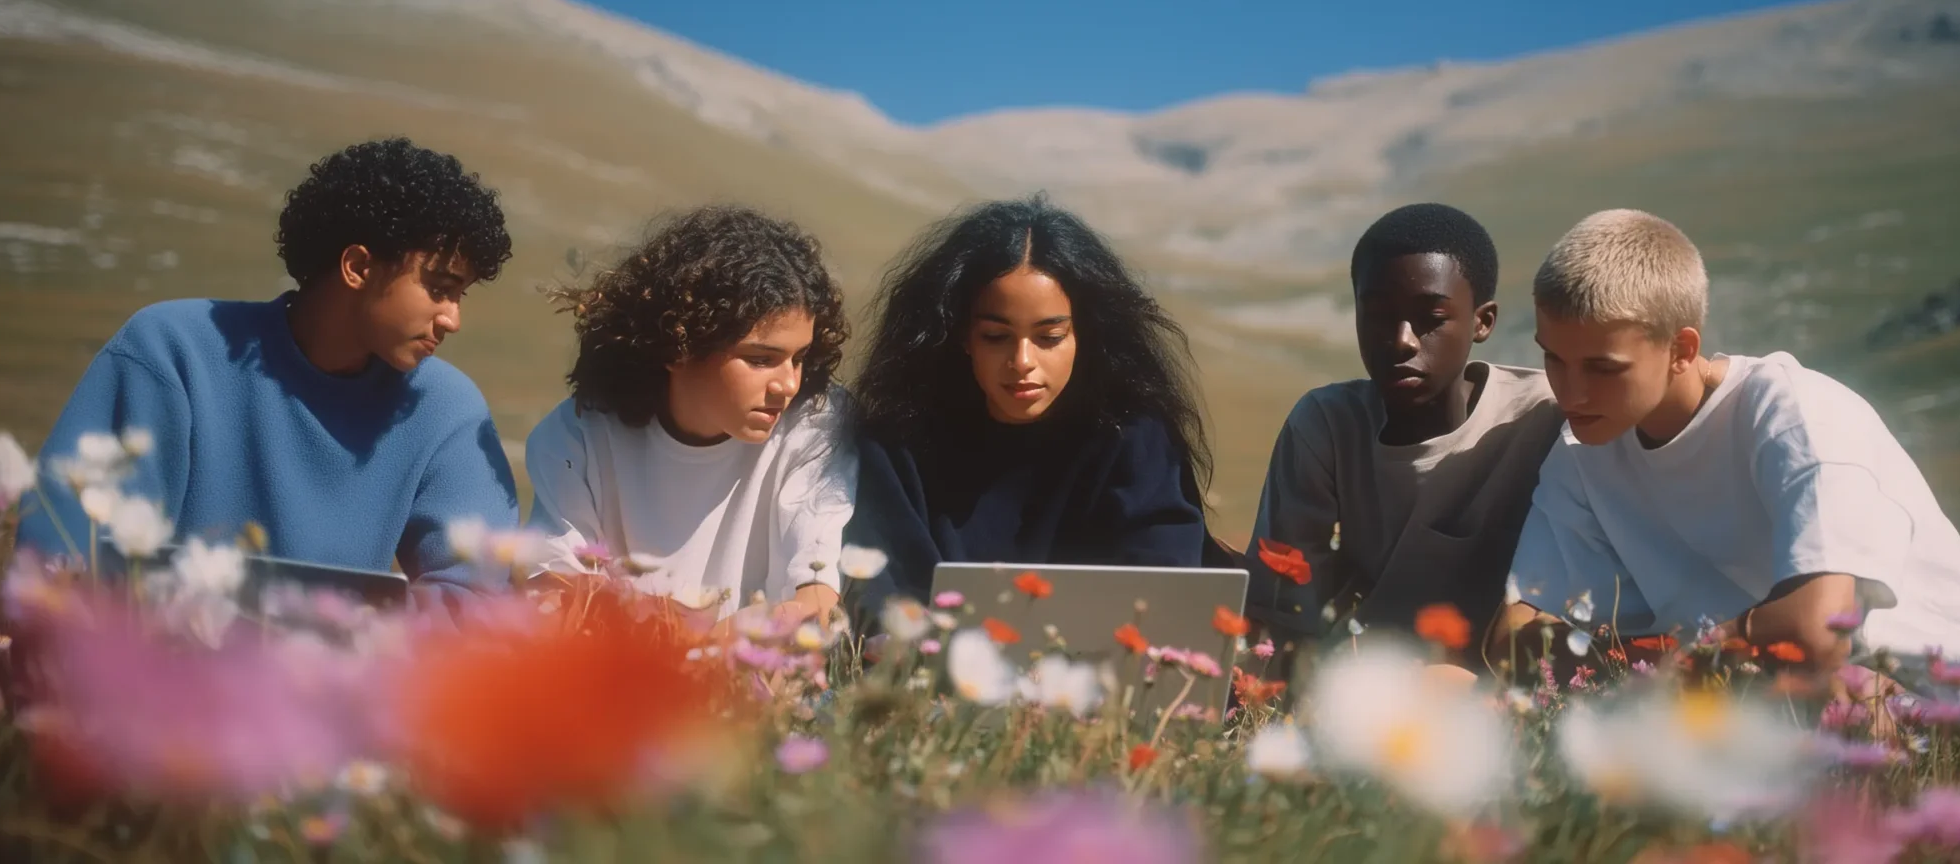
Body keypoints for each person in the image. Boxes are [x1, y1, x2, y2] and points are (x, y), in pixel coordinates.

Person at [1485, 209, 1960, 729]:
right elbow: (1514, 634)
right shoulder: (1581, 449)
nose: (1569, 391)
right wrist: (1678, 668)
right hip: (1780, 700)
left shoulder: (1792, 411)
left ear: (1681, 349)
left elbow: (1817, 627)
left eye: (1602, 368)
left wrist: (1676, 661)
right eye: (1554, 360)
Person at [17, 137, 520, 594]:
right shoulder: (171, 352)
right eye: (439, 288)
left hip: (340, 691)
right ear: (358, 268)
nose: (453, 318)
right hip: (146, 682)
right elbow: (60, 554)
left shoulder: (447, 410)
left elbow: (477, 603)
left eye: (460, 295)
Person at [844, 196, 1211, 609]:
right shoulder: (900, 443)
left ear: (1084, 336)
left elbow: (1164, 591)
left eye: (1049, 337)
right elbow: (883, 602)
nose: (1022, 362)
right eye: (995, 337)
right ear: (961, 336)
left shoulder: (1136, 438)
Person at [1243, 204, 1565, 665]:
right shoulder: (1326, 428)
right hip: (1358, 692)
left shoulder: (1544, 418)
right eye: (1377, 315)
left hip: (1500, 698)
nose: (1402, 341)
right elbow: (1289, 615)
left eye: (1430, 318)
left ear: (1482, 321)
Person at [520, 206, 855, 626]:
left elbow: (817, 597)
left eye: (799, 358)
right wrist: (694, 644)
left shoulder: (816, 422)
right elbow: (557, 594)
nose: (787, 385)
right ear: (677, 345)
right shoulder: (577, 433)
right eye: (760, 359)